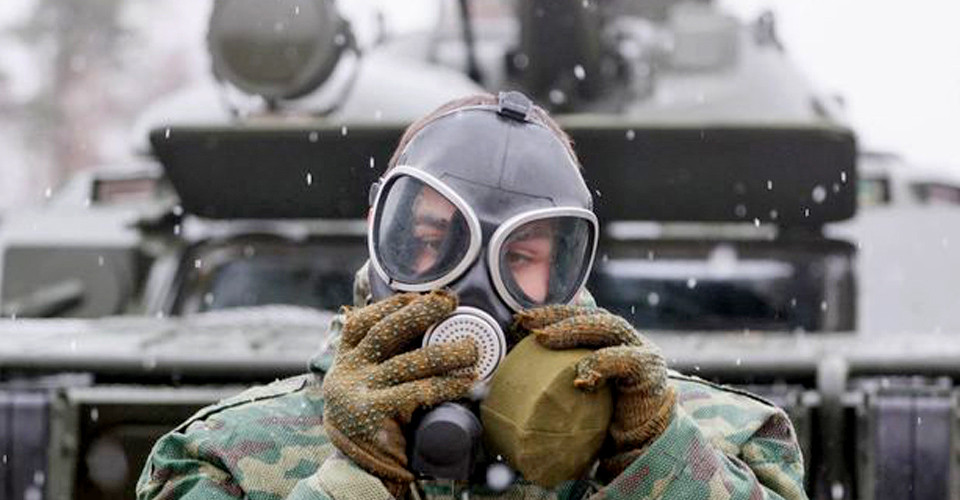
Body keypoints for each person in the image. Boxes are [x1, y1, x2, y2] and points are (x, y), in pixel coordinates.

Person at [136, 92, 807, 500]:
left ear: (570, 269)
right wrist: (353, 482)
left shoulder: (726, 446)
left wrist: (656, 466)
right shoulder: (224, 461)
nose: (471, 287)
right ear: (383, 233)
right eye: (431, 238)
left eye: (521, 256)